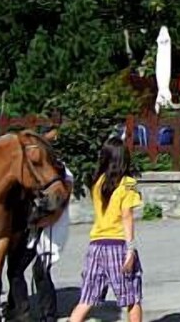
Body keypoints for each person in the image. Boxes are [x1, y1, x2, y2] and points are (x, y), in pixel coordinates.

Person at [69, 136, 143, 322]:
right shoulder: (128, 183)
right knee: (132, 297)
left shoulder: (97, 182)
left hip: (96, 245)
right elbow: (127, 216)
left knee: (87, 298)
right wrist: (130, 249)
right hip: (117, 244)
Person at [29, 163, 74, 322]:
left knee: (41, 269)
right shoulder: (35, 169)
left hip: (54, 227)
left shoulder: (64, 173)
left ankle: (49, 315)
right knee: (20, 268)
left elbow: (58, 209)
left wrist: (37, 222)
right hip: (38, 227)